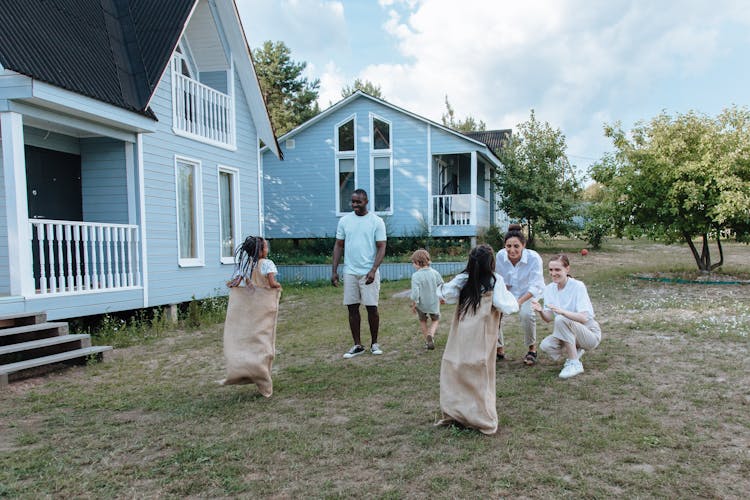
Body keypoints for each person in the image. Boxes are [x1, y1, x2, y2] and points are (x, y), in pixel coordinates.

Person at [435, 244, 518, 435]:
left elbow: (445, 294)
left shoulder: (463, 279)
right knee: (479, 369)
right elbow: (505, 305)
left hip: (461, 332)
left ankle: (456, 411)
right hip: (482, 333)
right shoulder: (495, 281)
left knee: (456, 366)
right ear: (491, 263)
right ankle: (480, 416)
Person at [221, 236, 282, 396]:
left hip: (250, 308)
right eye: (266, 247)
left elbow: (236, 282)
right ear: (261, 251)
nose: (267, 250)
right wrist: (277, 286)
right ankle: (263, 379)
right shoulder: (267, 264)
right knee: (264, 340)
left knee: (250, 338)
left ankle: (247, 370)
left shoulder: (246, 264)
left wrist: (232, 285)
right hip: (264, 306)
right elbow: (271, 283)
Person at [331, 189, 387, 358]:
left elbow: (382, 246)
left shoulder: (376, 221)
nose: (355, 205)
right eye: (353, 202)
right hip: (350, 271)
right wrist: (334, 270)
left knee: (372, 308)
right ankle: (357, 345)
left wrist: (373, 270)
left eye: (358, 202)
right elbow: (339, 245)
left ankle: (374, 344)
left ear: (366, 201)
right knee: (352, 308)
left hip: (369, 272)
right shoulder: (345, 221)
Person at [531, 253, 601, 379]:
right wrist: (540, 310)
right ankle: (575, 351)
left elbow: (584, 318)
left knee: (561, 319)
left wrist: (562, 311)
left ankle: (574, 363)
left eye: (557, 269)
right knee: (546, 345)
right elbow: (548, 319)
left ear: (567, 269)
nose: (553, 273)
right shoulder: (549, 289)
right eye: (551, 270)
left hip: (590, 333)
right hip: (569, 331)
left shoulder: (578, 286)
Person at [494, 223, 545, 365]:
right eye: (508, 246)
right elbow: (498, 279)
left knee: (526, 314)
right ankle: (499, 349)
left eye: (516, 246)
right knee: (493, 313)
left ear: (523, 245)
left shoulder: (534, 258)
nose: (512, 250)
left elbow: (535, 286)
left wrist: (520, 302)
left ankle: (532, 350)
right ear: (504, 246)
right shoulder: (500, 256)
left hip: (529, 293)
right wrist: (502, 295)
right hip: (508, 293)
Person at [409, 248, 444, 350]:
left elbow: (415, 293)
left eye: (413, 263)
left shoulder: (415, 276)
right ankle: (431, 334)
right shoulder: (435, 273)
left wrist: (414, 303)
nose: (412, 265)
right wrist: (442, 297)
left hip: (421, 304)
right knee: (435, 320)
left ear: (417, 263)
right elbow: (441, 285)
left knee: (423, 321)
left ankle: (427, 341)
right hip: (434, 303)